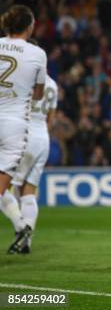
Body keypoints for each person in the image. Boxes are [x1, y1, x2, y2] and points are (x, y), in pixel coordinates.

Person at [0, 5, 47, 254]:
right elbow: (38, 95)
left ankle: (20, 226)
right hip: (14, 126)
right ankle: (22, 228)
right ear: (29, 27)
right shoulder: (37, 54)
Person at [10, 74, 58, 253]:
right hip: (43, 138)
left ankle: (21, 227)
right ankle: (26, 242)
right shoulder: (52, 84)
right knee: (28, 191)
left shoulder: (25, 78)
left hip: (25, 135)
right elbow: (52, 118)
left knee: (10, 186)